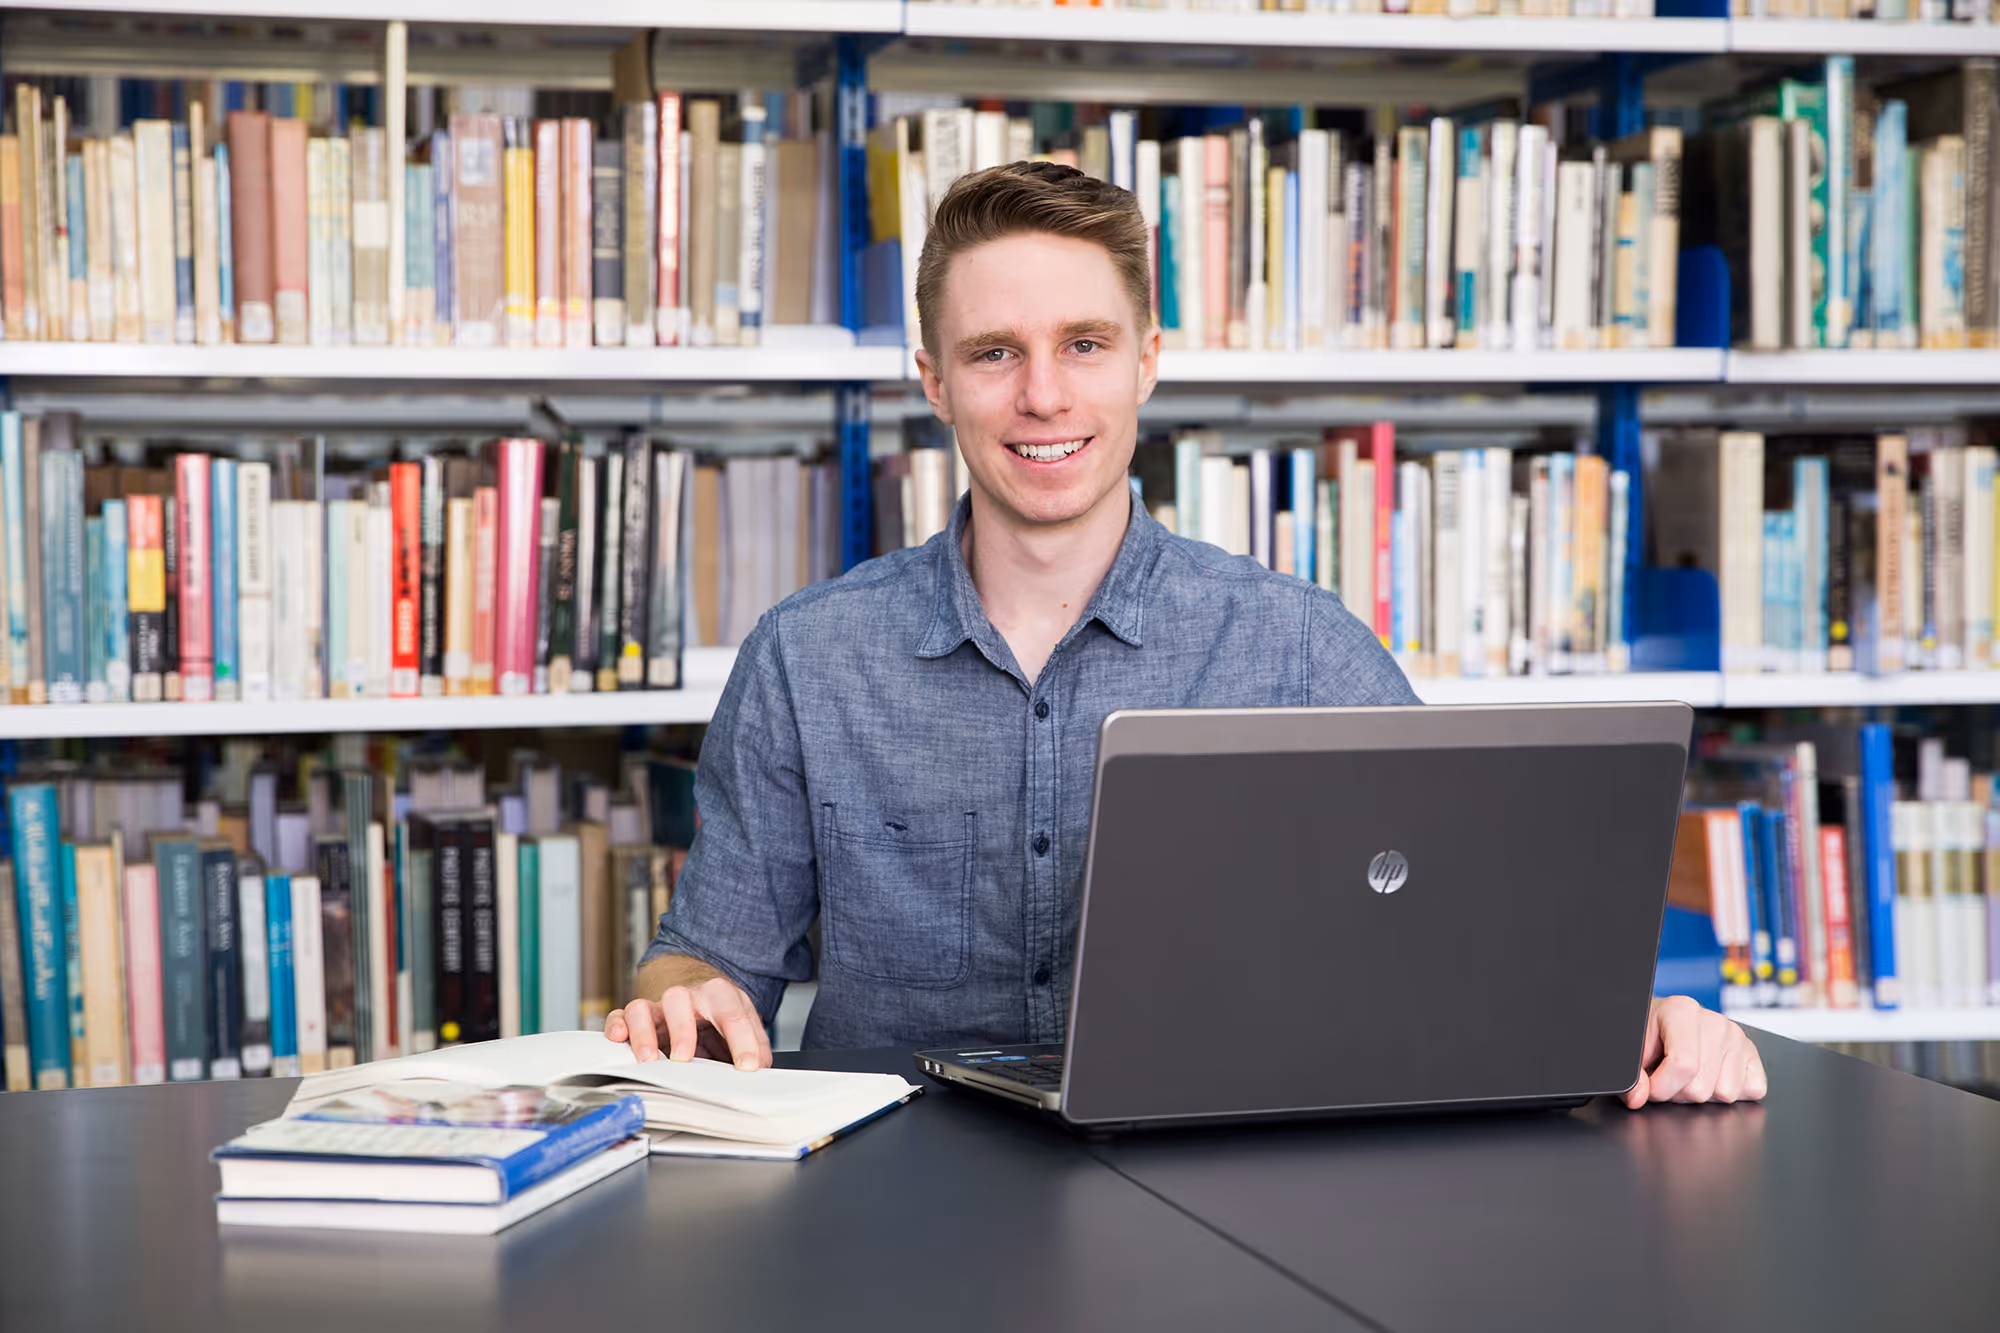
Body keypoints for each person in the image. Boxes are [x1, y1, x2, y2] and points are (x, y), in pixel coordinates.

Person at [605, 161, 1767, 1111]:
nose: (1044, 397)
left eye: (1085, 344)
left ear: (1147, 362)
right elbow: (702, 953)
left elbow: (1470, 954)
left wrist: (1646, 1020)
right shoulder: (808, 659)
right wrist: (677, 999)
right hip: (892, 1204)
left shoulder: (1300, 647)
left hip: (1225, 1197)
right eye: (994, 352)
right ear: (933, 382)